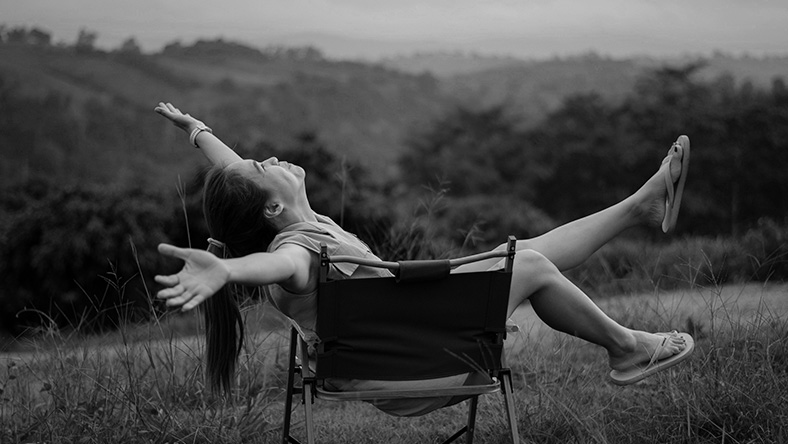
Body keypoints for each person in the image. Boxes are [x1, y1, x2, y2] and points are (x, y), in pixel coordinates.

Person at [153, 101, 694, 416]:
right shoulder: (294, 252)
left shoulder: (292, 224)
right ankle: (626, 348)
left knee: (524, 254)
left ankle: (639, 206)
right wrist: (227, 269)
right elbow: (276, 267)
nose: (264, 155)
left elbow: (239, 187)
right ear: (272, 206)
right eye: (258, 163)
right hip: (415, 369)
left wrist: (195, 130)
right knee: (524, 265)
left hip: (393, 354)